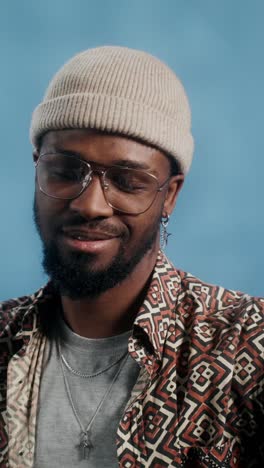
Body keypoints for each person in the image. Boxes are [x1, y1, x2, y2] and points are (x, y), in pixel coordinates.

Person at [0, 45, 263, 468]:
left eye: (127, 181)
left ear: (170, 194)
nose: (91, 205)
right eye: (65, 171)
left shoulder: (246, 345)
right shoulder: (4, 341)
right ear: (36, 169)